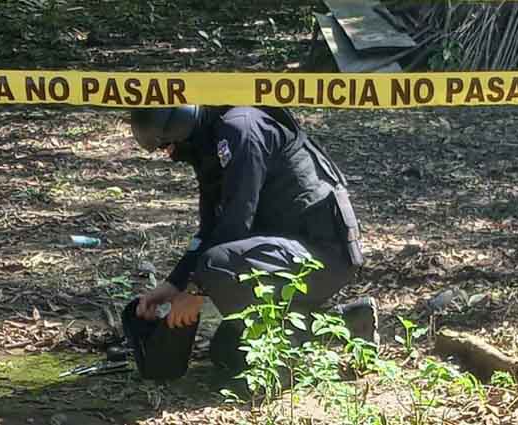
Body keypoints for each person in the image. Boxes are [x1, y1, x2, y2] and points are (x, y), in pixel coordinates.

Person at [125, 105, 374, 375]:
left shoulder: (241, 129)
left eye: (168, 145)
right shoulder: (211, 140)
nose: (170, 154)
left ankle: (281, 364)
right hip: (285, 251)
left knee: (215, 266)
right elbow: (211, 228)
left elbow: (236, 221)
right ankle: (349, 322)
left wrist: (195, 291)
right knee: (229, 353)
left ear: (183, 127)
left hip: (323, 254)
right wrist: (173, 284)